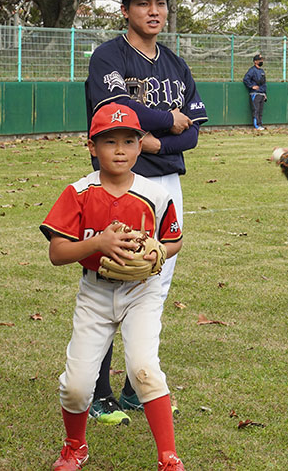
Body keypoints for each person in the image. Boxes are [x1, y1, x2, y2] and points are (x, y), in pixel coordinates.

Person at [84, 0, 207, 426]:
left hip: (165, 184)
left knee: (155, 279)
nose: (154, 10)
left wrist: (153, 142)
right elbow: (115, 110)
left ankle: (138, 387)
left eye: (160, 2)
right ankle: (97, 392)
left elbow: (191, 132)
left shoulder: (175, 63)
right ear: (126, 10)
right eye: (143, 2)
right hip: (115, 180)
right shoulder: (108, 57)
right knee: (109, 278)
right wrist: (161, 123)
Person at [42, 103, 185, 471]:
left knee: (144, 370)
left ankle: (168, 457)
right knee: (76, 385)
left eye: (128, 141)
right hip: (96, 292)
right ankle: (75, 446)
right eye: (109, 142)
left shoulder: (155, 194)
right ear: (92, 147)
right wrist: (97, 244)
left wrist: (158, 254)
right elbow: (58, 253)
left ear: (141, 145)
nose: (119, 150)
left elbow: (174, 241)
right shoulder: (78, 193)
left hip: (142, 292)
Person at [243, 53, 267, 130]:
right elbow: (246, 79)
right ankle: (256, 125)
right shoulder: (252, 70)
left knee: (260, 111)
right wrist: (251, 86)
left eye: (262, 60)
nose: (261, 61)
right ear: (255, 61)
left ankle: (260, 124)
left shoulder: (262, 71)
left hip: (261, 93)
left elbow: (264, 83)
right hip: (255, 94)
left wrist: (264, 94)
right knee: (256, 110)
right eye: (260, 60)